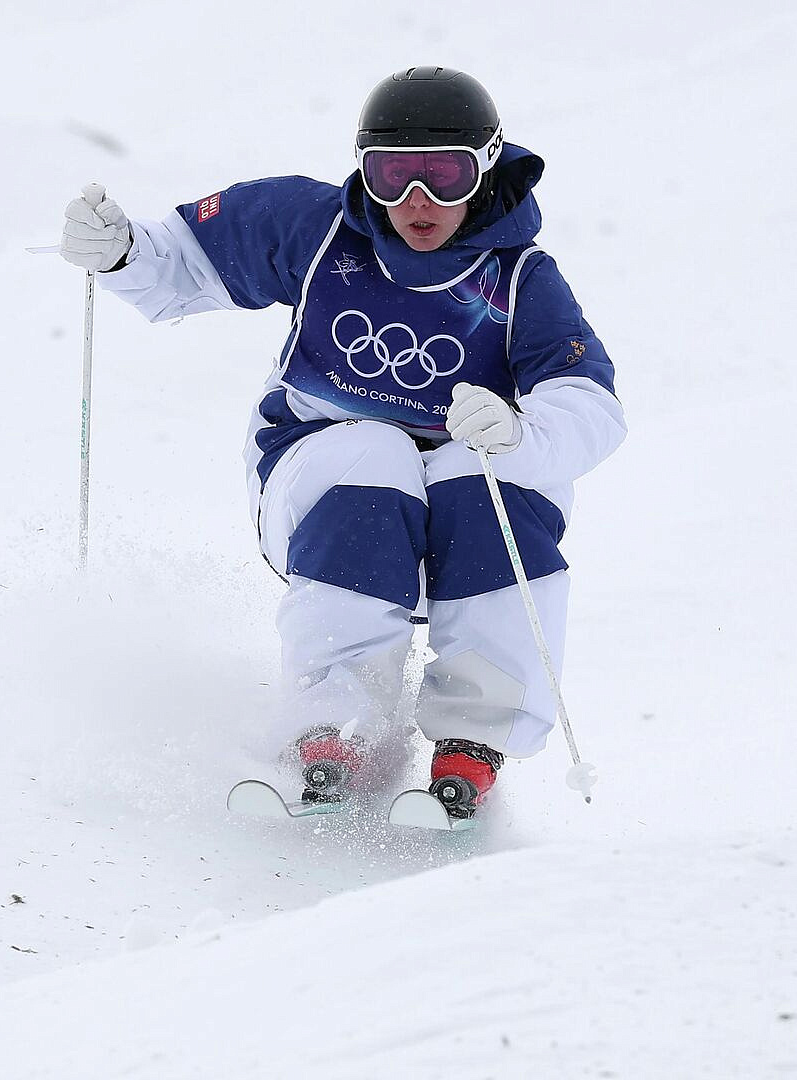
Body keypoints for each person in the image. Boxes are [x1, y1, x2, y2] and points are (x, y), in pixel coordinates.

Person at [58, 67, 625, 819]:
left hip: (458, 512)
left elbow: (590, 402)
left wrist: (523, 433)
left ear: (484, 168)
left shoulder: (520, 280)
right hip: (320, 478)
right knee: (374, 455)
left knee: (486, 475)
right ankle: (331, 724)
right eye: (391, 175)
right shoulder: (319, 226)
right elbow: (181, 262)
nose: (415, 202)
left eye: (443, 175)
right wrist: (122, 251)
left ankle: (474, 741)